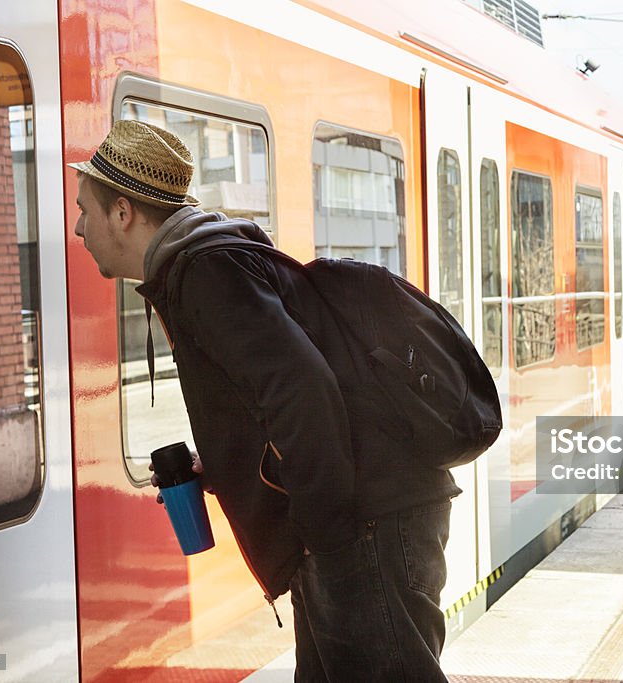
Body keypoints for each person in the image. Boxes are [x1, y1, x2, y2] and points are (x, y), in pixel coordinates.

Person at [71, 119, 459, 681]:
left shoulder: (207, 273)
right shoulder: (205, 267)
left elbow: (305, 394)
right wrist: (225, 465)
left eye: (86, 209)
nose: (79, 228)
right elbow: (278, 394)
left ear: (124, 212)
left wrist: (325, 544)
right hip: (357, 520)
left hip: (365, 525)